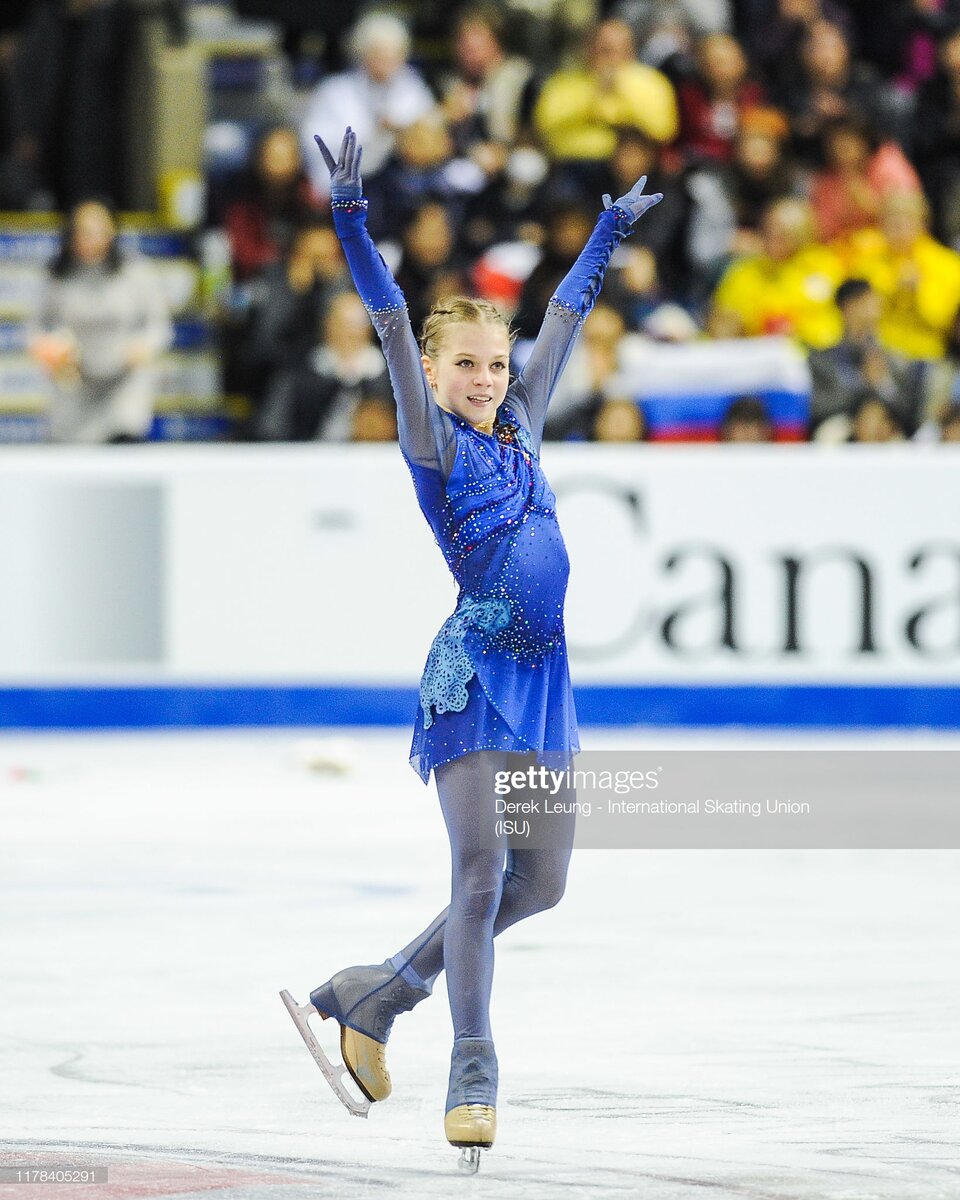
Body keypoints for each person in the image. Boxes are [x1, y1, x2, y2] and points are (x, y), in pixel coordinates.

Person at [281, 127, 662, 1169]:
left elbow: (568, 315)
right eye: (469, 365)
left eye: (497, 363)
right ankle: (474, 1068)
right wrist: (352, 220)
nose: (488, 377)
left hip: (546, 685)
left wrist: (602, 235)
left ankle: (381, 991)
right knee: (484, 869)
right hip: (477, 676)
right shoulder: (432, 439)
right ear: (439, 375)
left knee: (541, 884)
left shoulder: (525, 421)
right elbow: (390, 317)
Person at [29, 198, 173, 443]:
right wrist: (49, 349)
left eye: (101, 232)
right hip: (76, 385)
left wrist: (143, 347)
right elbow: (36, 327)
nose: (94, 240)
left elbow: (159, 326)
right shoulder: (56, 276)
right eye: (86, 232)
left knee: (123, 443)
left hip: (123, 383)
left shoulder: (136, 272)